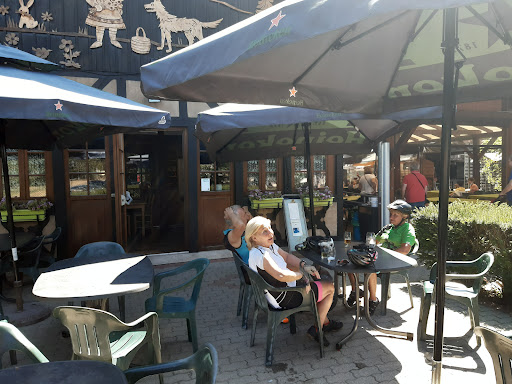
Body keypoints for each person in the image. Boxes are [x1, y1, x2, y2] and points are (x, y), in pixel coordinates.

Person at [246, 216, 343, 346]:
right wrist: (302, 276)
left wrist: (303, 265)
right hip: (285, 296)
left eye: (270, 228)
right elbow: (281, 275)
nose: (271, 233)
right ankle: (317, 328)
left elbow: (286, 256)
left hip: (275, 292)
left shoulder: (266, 247)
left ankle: (325, 322)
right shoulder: (262, 255)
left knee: (319, 275)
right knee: (330, 287)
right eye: (264, 231)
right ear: (254, 237)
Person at [346, 200, 418, 315]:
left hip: (394, 261)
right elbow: (374, 241)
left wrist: (386, 256)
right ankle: (355, 291)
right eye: (391, 215)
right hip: (380, 258)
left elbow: (405, 250)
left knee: (369, 269)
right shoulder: (388, 228)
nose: (391, 218)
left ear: (404, 217)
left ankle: (373, 299)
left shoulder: (407, 229)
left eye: (395, 215)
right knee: (352, 262)